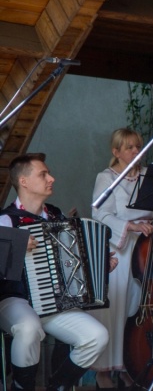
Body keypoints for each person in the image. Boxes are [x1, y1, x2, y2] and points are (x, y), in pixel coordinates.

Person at [0, 153, 111, 391]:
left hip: (53, 302)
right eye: (43, 174)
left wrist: (98, 267)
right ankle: (21, 387)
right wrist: (17, 245)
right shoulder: (6, 220)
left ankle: (58, 386)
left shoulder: (56, 216)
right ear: (24, 181)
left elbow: (72, 263)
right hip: (14, 299)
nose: (51, 178)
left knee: (97, 336)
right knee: (28, 328)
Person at [89, 128, 153, 390]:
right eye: (129, 147)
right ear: (116, 152)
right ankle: (105, 371)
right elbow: (100, 214)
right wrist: (131, 226)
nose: (136, 151)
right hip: (119, 248)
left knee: (137, 307)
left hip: (147, 247)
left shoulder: (148, 175)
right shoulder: (106, 177)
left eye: (138, 146)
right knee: (114, 308)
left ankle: (129, 365)